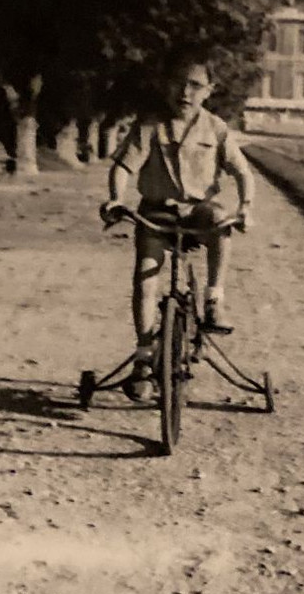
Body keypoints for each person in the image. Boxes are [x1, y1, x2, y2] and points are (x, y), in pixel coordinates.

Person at [100, 52, 255, 402]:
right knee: (145, 276)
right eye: (178, 84)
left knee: (221, 219)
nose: (185, 92)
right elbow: (123, 167)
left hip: (198, 211)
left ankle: (214, 298)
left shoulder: (216, 129)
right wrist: (115, 199)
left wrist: (246, 207)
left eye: (195, 86)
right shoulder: (150, 125)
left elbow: (242, 172)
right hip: (156, 212)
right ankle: (142, 358)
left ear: (209, 91)